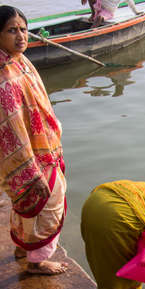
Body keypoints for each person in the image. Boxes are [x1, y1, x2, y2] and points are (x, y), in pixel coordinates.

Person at [0, 6, 67, 275]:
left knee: (24, 202)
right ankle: (37, 261)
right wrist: (30, 170)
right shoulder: (4, 77)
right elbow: (12, 131)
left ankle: (22, 246)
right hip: (26, 156)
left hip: (42, 147)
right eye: (11, 30)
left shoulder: (20, 61)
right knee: (48, 202)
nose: (20, 36)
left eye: (23, 29)